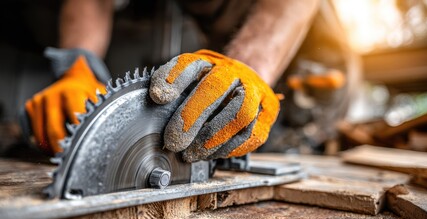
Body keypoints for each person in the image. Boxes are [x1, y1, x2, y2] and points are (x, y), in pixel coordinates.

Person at [23, 0, 325, 161]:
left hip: (310, 58)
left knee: (254, 135)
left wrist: (252, 67)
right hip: (221, 23)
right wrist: (79, 68)